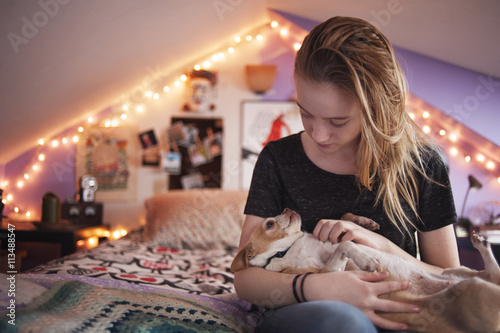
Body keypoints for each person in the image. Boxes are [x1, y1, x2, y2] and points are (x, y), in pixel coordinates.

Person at [233, 16, 460, 333]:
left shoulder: (423, 164)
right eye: (306, 113)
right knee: (342, 322)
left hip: (399, 316)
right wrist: (317, 288)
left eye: (337, 121)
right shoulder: (277, 159)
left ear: (376, 109)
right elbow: (245, 278)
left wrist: (379, 244)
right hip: (306, 315)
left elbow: (450, 281)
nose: (319, 134)